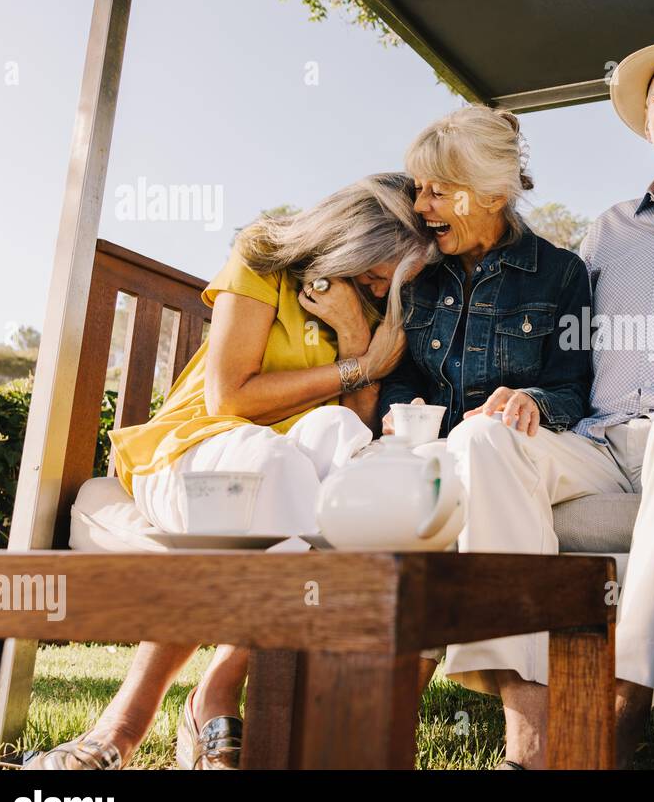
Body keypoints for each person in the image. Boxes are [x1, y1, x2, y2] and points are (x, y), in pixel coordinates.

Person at [393, 28, 654, 769]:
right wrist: (529, 398)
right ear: (648, 124)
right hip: (603, 439)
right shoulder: (608, 229)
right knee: (482, 439)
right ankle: (530, 720)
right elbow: (566, 355)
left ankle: (625, 701)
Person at [25, 173, 435, 769]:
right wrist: (357, 366)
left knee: (340, 436)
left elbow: (355, 424)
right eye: (377, 269)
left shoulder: (370, 314)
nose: (381, 287)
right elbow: (229, 399)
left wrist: (354, 335)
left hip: (283, 478)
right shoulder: (264, 258)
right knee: (271, 464)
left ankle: (194, 699)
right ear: (350, 239)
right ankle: (176, 709)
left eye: (395, 281)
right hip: (193, 454)